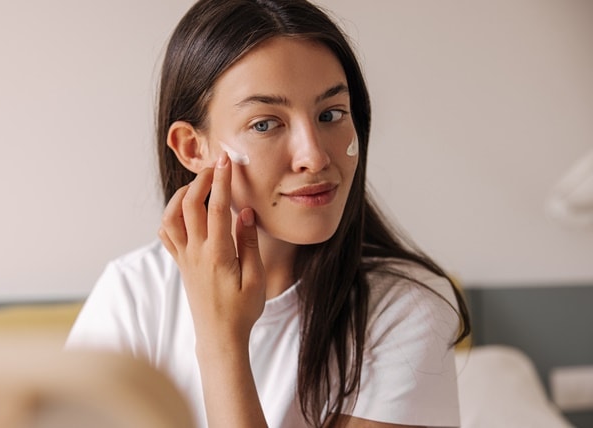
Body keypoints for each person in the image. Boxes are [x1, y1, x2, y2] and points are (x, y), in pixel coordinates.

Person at [66, 0, 471, 427]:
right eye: (265, 124)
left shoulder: (405, 306)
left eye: (330, 114)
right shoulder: (133, 293)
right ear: (192, 147)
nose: (313, 157)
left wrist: (223, 342)